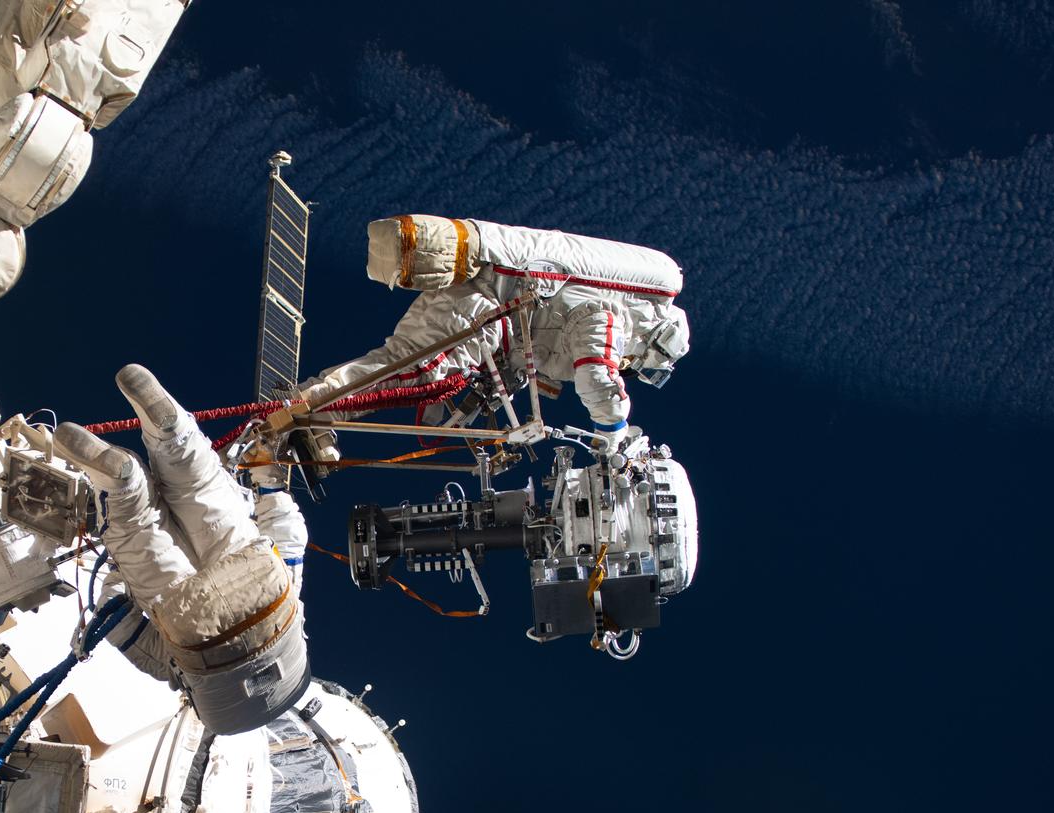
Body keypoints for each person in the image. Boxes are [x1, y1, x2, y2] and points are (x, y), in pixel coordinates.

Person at [53, 365, 310, 735]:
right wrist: (117, 572)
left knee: (201, 489)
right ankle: (121, 482)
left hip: (269, 596)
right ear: (195, 698)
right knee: (138, 529)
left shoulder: (294, 614)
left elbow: (290, 536)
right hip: (196, 635)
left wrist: (270, 488)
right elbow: (117, 623)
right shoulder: (171, 672)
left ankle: (173, 435)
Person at [291, 216, 692, 438]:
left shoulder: (590, 317)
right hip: (483, 305)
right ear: (656, 339)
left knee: (411, 372)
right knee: (413, 371)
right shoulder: (611, 317)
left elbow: (522, 361)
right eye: (646, 365)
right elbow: (596, 375)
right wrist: (615, 431)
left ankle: (315, 412)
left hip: (485, 314)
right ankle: (305, 407)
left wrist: (464, 414)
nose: (634, 368)